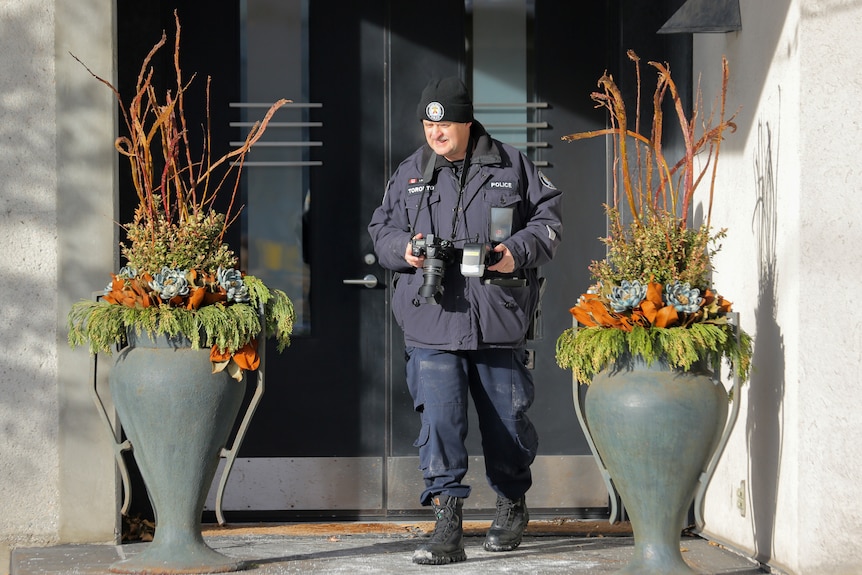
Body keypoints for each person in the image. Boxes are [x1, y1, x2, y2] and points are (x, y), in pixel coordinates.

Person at [368, 77, 563, 565]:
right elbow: (381, 228)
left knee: (507, 424)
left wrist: (512, 252)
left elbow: (548, 223)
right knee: (440, 423)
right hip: (430, 320)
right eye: (428, 123)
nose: (435, 132)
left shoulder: (512, 165)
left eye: (445, 123)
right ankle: (447, 521)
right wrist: (405, 251)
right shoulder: (411, 170)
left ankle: (511, 502)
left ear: (467, 122)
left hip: (496, 318)